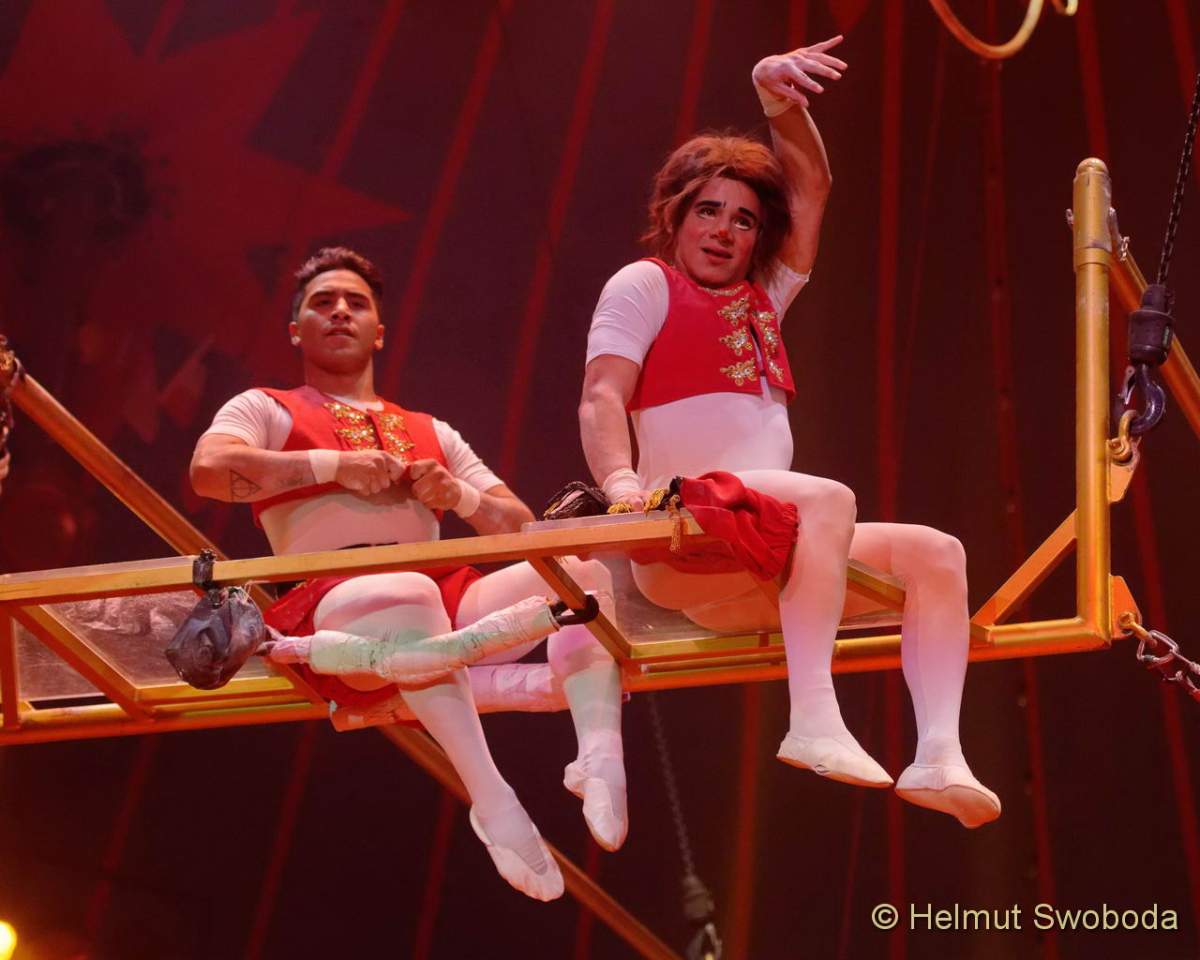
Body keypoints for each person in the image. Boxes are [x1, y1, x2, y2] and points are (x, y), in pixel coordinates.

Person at [578, 38, 1000, 828]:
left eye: (743, 220)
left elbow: (811, 187)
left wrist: (777, 101)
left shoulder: (764, 298)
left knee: (937, 554)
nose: (724, 230)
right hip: (686, 536)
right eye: (708, 211)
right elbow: (601, 395)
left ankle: (940, 757)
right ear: (676, 217)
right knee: (824, 499)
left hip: (764, 561)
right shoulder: (646, 284)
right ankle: (812, 716)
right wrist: (622, 489)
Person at [190, 247, 627, 901]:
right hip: (334, 608)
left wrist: (460, 495)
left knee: (581, 568)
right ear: (296, 330)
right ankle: (494, 799)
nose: (341, 311)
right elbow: (207, 470)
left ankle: (600, 752)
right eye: (323, 303)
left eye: (356, 302)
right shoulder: (265, 407)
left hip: (441, 602)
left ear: (379, 331)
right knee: (409, 589)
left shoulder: (431, 430)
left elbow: (523, 527)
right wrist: (332, 467)